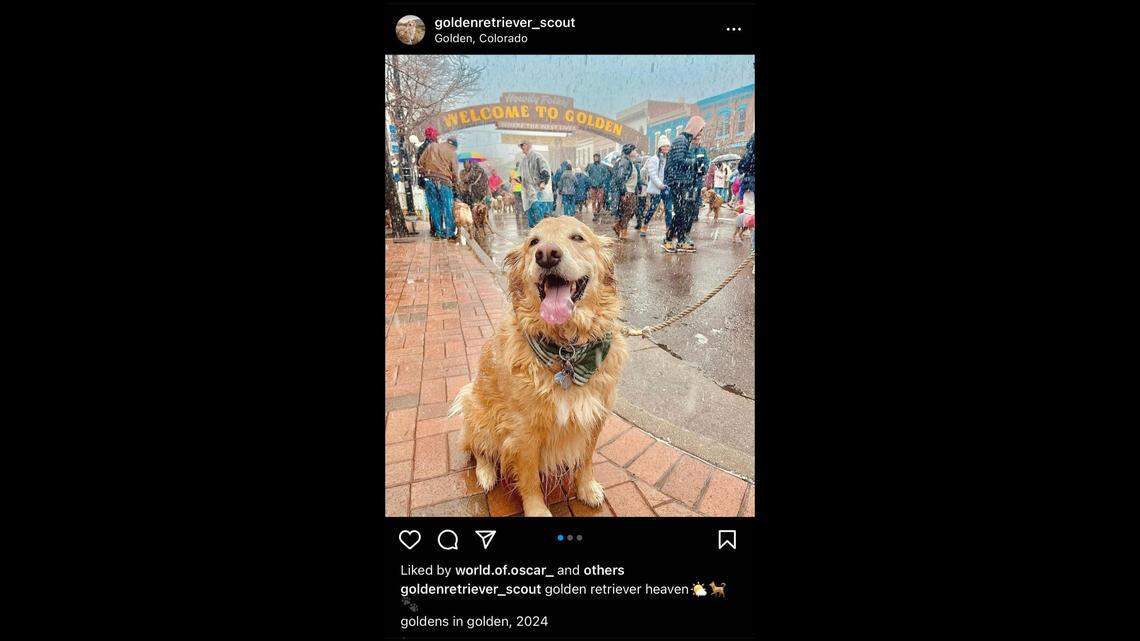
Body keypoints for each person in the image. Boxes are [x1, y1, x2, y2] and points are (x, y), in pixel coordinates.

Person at [662, 116, 707, 253]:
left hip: (681, 182)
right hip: (678, 183)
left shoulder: (685, 141)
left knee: (683, 212)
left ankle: (676, 240)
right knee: (681, 212)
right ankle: (673, 240)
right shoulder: (681, 141)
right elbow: (679, 161)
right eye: (700, 130)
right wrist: (695, 162)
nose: (700, 133)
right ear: (694, 128)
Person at [416, 135, 462, 241]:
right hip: (444, 182)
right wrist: (456, 184)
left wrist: (428, 169)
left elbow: (420, 162)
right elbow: (455, 173)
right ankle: (450, 233)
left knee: (434, 208)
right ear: (454, 146)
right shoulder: (453, 153)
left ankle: (439, 232)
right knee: (448, 208)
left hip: (429, 181)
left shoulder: (432, 146)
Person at [637, 134, 672, 238]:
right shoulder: (654, 159)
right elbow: (652, 174)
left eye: (667, 146)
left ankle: (668, 229)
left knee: (669, 210)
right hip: (657, 188)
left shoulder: (669, 159)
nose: (666, 148)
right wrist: (660, 185)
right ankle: (645, 225)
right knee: (652, 208)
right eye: (664, 146)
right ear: (660, 147)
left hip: (667, 188)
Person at [518, 141, 553, 228]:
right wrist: (518, 179)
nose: (522, 147)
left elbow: (544, 170)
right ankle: (535, 231)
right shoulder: (524, 160)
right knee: (531, 214)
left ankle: (541, 230)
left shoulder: (537, 156)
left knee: (538, 211)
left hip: (538, 190)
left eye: (523, 145)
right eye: (521, 145)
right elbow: (523, 176)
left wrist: (543, 182)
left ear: (529, 145)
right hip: (528, 191)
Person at [611, 144, 641, 238]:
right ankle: (622, 232)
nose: (636, 152)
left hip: (631, 191)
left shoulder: (629, 162)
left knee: (629, 212)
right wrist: (624, 193)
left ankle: (619, 227)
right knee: (627, 213)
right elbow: (620, 178)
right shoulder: (625, 162)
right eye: (635, 150)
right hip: (627, 191)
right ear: (630, 151)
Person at [417, 127, 439, 235]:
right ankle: (438, 228)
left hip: (427, 179)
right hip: (437, 178)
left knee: (432, 204)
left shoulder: (421, 148)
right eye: (435, 135)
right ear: (432, 136)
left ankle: (434, 228)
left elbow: (419, 165)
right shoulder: (435, 147)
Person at [585, 153, 609, 219]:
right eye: (594, 157)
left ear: (599, 158)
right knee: (593, 201)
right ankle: (594, 213)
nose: (596, 158)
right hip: (593, 186)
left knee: (600, 201)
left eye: (597, 157)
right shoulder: (590, 166)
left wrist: (602, 180)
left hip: (600, 186)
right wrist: (590, 180)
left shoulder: (603, 166)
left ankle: (598, 211)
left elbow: (606, 174)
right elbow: (586, 173)